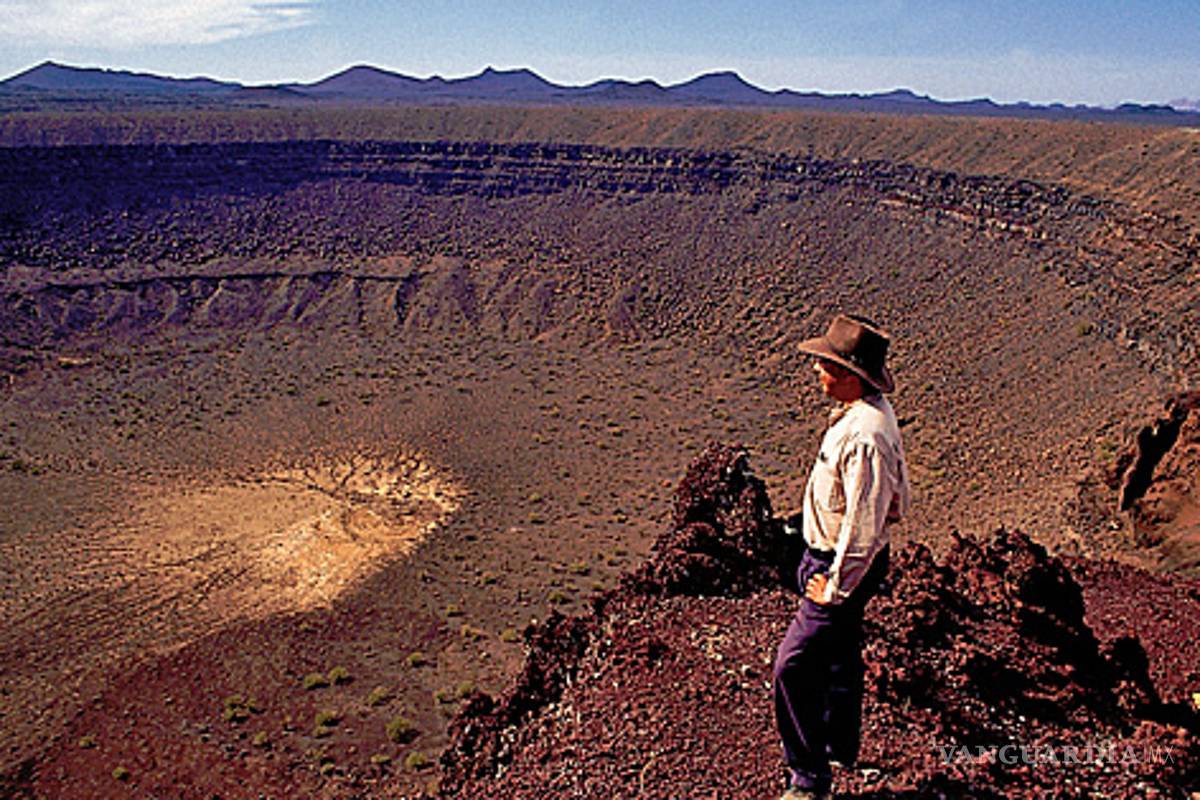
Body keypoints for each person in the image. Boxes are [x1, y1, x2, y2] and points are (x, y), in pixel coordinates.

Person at [773, 313, 911, 800]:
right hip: (836, 557)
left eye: (826, 364)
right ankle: (838, 746)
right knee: (839, 654)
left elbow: (864, 523)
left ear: (851, 375)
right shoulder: (863, 414)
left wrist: (835, 584)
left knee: (792, 666)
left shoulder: (866, 436)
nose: (818, 370)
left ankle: (808, 781)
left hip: (841, 563)